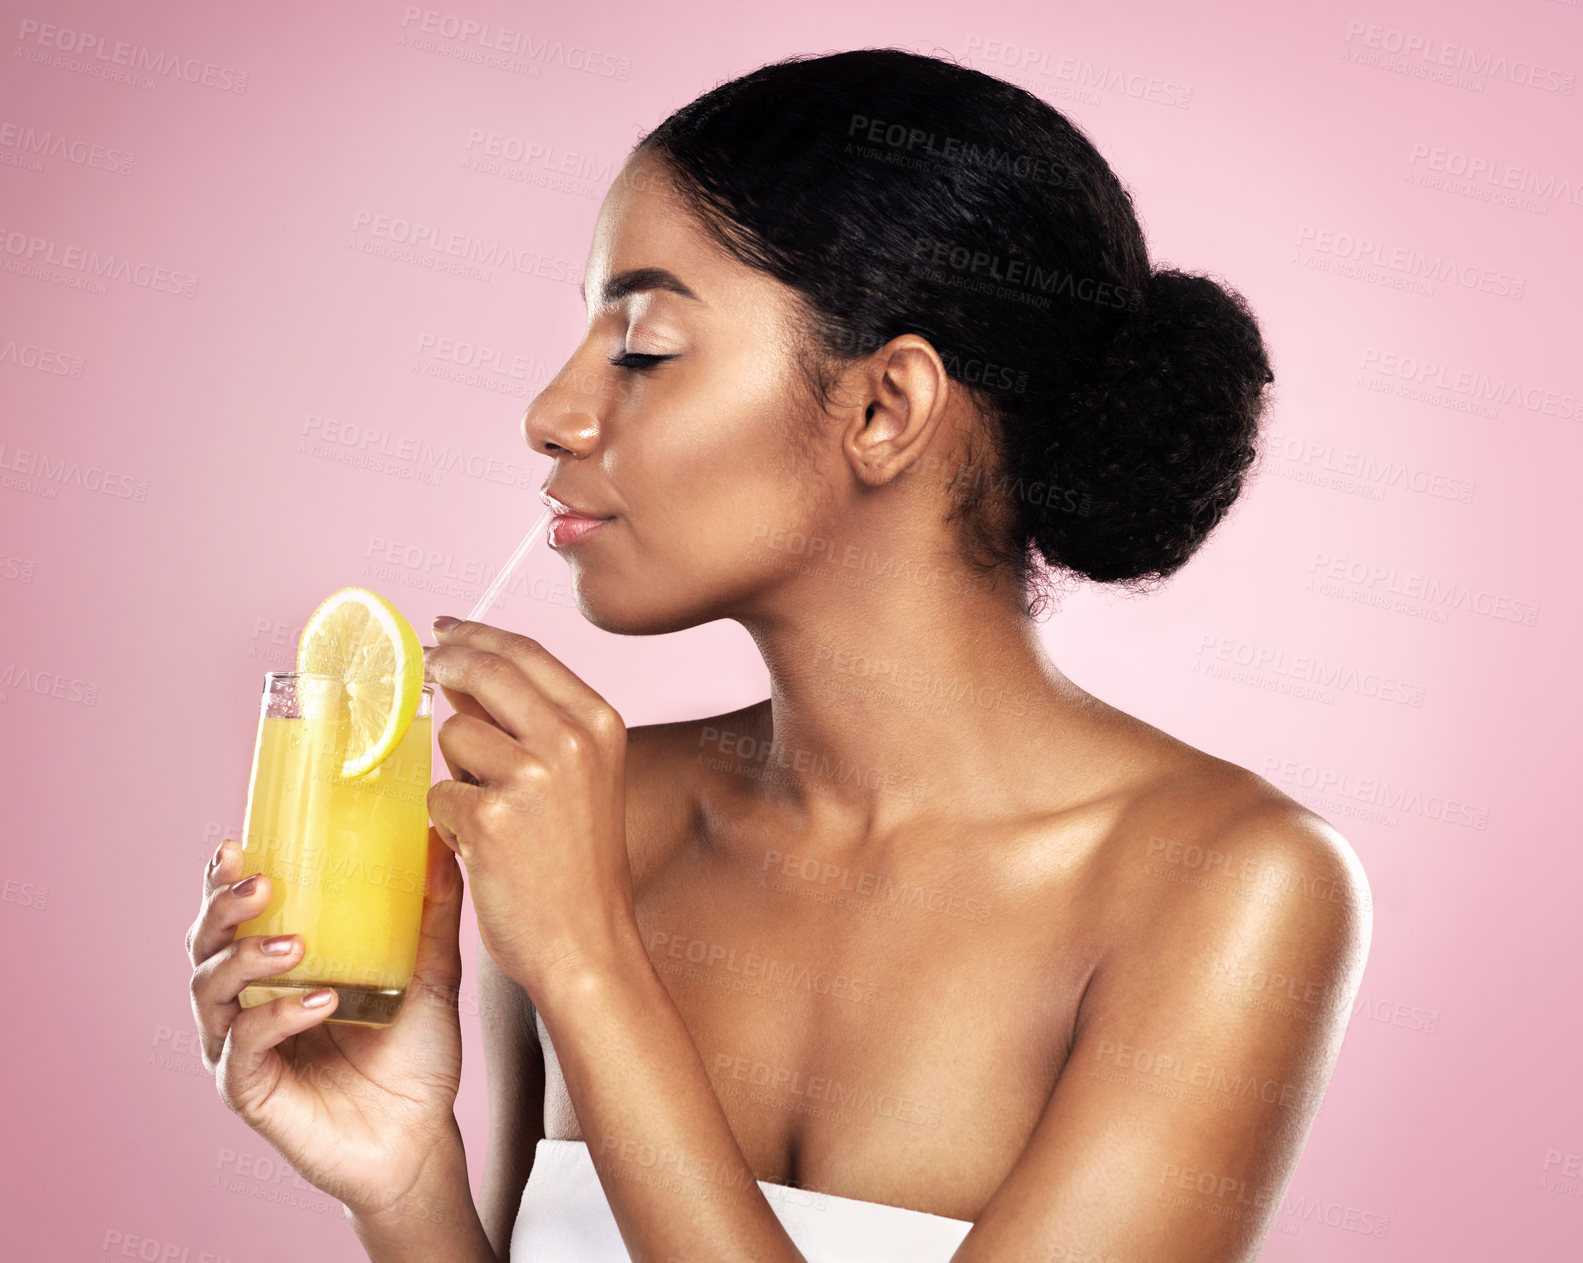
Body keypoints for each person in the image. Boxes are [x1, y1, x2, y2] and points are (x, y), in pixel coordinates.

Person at [186, 47, 1372, 1263]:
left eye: (640, 348)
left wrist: (593, 966)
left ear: (882, 409)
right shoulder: (598, 818)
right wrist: (401, 1186)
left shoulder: (1226, 885)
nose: (553, 413)